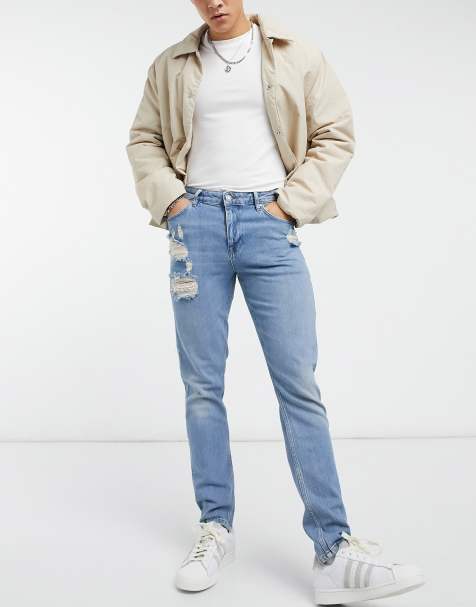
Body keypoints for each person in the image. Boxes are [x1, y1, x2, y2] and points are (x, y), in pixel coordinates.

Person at [126, 1, 425, 604]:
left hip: (269, 224)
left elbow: (334, 133)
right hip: (196, 226)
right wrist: (173, 203)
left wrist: (289, 206)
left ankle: (333, 548)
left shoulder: (296, 55)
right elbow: (144, 139)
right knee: (202, 384)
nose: (214, 1)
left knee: (298, 384)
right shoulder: (171, 64)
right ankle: (215, 527)